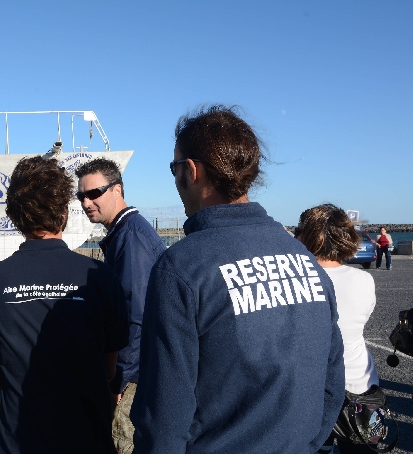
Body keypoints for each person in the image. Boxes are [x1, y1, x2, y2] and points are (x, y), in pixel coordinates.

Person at [130, 105, 345, 453]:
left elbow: (165, 414)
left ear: (192, 171)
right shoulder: (304, 260)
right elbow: (331, 380)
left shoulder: (182, 267)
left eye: (174, 168)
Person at [0, 156, 129, 454]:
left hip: (20, 440)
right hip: (88, 440)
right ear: (64, 213)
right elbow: (107, 368)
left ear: (14, 215)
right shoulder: (100, 278)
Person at [75, 158, 166, 454]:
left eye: (94, 193)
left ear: (117, 190)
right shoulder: (126, 233)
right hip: (138, 369)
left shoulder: (131, 239)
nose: (86, 202)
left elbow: (134, 316)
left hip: (134, 374)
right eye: (81, 196)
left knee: (122, 443)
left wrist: (120, 380)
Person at [296, 204, 380, 454]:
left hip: (313, 391)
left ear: (316, 236)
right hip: (361, 385)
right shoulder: (364, 280)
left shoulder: (301, 281)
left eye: (300, 230)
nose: (296, 236)